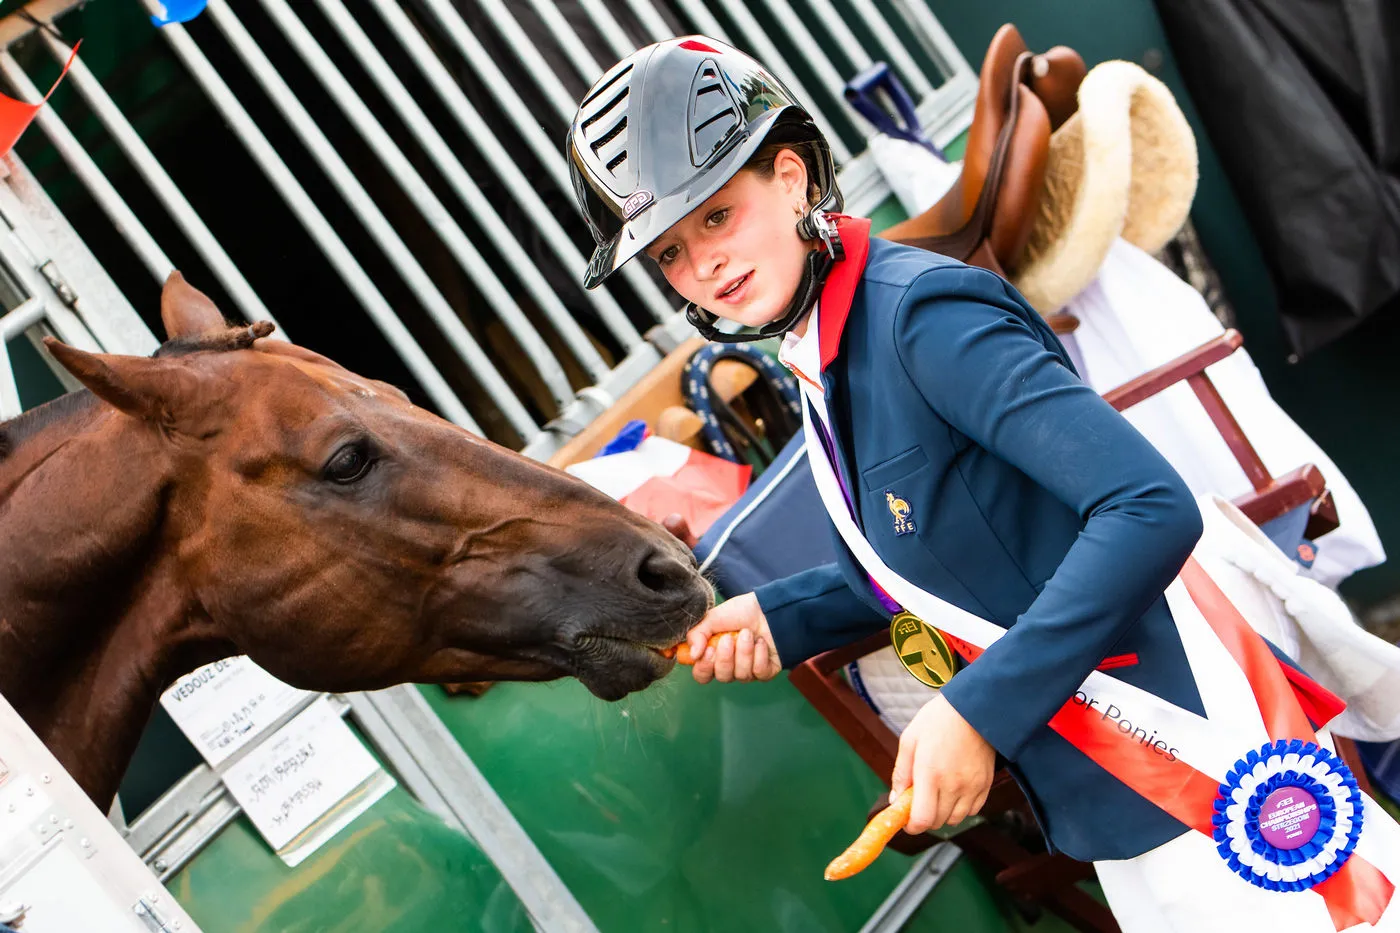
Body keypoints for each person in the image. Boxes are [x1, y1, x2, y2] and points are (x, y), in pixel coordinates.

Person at [566, 36, 1400, 932]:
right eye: (671, 255)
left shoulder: (919, 315)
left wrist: (976, 711)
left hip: (1201, 764)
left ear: (793, 176)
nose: (706, 267)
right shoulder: (824, 347)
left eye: (719, 217)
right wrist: (781, 615)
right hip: (1111, 796)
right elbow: (943, 544)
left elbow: (1145, 505)